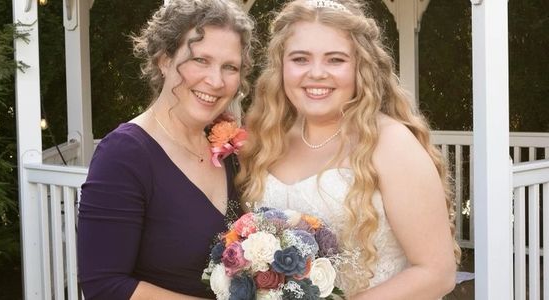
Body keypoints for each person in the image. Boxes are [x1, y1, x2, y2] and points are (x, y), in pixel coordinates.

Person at [237, 0, 460, 299]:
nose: (316, 73)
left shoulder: (392, 143)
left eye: (335, 60)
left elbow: (437, 273)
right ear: (281, 66)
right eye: (300, 59)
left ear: (360, 67)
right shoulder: (266, 142)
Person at [77, 0, 254, 299]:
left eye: (230, 67)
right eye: (200, 60)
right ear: (164, 59)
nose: (215, 80)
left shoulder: (228, 148)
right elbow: (104, 286)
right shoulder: (124, 154)